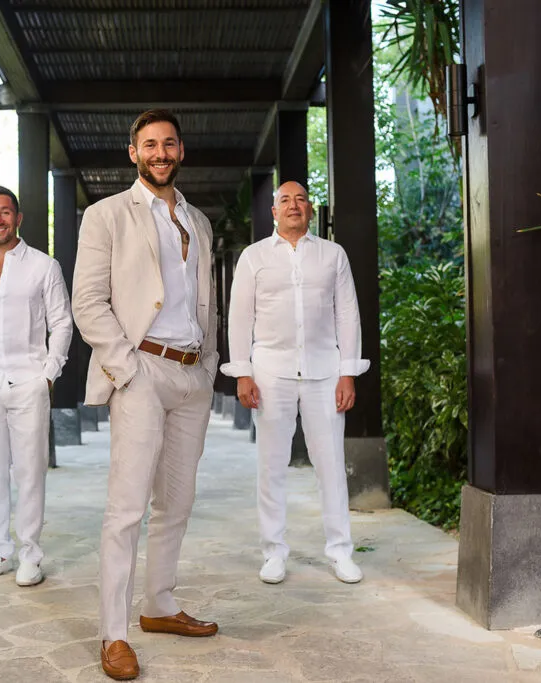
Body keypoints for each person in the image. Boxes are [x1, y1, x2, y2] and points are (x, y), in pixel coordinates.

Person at [72, 109, 220, 681]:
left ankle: (158, 604)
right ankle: (114, 633)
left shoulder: (198, 220)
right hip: (141, 370)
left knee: (176, 502)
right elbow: (88, 301)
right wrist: (126, 369)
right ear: (133, 153)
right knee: (127, 507)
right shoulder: (107, 214)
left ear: (181, 151)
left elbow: (204, 301)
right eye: (150, 144)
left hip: (191, 374)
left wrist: (208, 365)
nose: (161, 153)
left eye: (169, 143)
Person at [220, 180, 370, 586]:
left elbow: (348, 315)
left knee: (331, 465)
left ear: (310, 210)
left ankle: (340, 551)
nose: (293, 205)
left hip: (325, 372)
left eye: (300, 199)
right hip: (271, 373)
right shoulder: (253, 257)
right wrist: (243, 372)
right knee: (271, 466)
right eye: (285, 200)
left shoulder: (333, 255)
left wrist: (348, 373)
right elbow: (240, 317)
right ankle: (273, 552)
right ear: (274, 212)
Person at [0, 185, 73, 587]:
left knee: (30, 471)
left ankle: (30, 554)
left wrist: (48, 374)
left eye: (5, 212)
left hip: (28, 381)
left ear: (18, 218)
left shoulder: (44, 266)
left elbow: (62, 322)